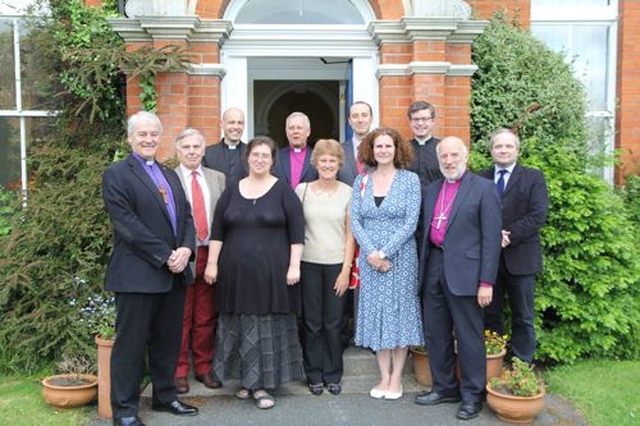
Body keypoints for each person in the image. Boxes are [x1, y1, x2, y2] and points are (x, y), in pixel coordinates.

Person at [102, 111, 198, 426]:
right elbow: (127, 226)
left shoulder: (170, 174)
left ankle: (165, 396)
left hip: (173, 274)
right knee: (130, 346)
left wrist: (185, 249)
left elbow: (186, 217)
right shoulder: (116, 174)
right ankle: (125, 411)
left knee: (168, 340)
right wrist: (166, 254)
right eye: (142, 134)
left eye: (153, 134)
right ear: (130, 138)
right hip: (137, 275)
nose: (148, 140)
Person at [204, 136, 305, 410]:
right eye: (255, 154)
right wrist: (212, 263)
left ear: (273, 160)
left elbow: (297, 234)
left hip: (272, 273)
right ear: (247, 158)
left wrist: (294, 265)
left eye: (265, 155)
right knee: (240, 324)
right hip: (235, 272)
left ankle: (261, 386)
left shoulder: (284, 191)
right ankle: (246, 382)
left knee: (264, 326)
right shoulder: (232, 190)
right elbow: (217, 231)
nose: (260, 159)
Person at [414, 136, 502, 421]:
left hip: (467, 273)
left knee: (468, 337)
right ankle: (444, 387)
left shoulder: (484, 189)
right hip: (434, 268)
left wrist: (486, 282)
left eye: (454, 155)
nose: (449, 161)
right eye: (444, 157)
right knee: (436, 333)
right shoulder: (431, 189)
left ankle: (473, 394)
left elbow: (491, 240)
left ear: (465, 156)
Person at [350, 127, 424, 401]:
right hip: (369, 260)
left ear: (397, 149)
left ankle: (396, 379)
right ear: (371, 150)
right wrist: (371, 253)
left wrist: (385, 253)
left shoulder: (410, 180)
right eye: (378, 146)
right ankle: (383, 376)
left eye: (388, 146)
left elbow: (410, 222)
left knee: (398, 313)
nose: (383, 151)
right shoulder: (361, 181)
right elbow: (356, 221)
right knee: (376, 314)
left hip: (400, 258)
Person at [481, 129, 549, 363]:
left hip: (521, 257)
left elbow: (538, 215)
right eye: (498, 146)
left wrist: (508, 235)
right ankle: (494, 362)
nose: (503, 150)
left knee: (523, 315)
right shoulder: (481, 178)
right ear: (491, 150)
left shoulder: (533, 177)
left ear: (517, 150)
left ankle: (522, 365)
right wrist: (491, 236)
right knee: (490, 314)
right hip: (489, 261)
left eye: (508, 146)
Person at [295, 139, 356, 396]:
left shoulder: (348, 192)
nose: (328, 165)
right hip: (308, 264)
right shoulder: (302, 190)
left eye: (333, 161)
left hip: (335, 266)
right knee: (311, 322)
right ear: (316, 163)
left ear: (339, 164)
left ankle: (333, 374)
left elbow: (351, 235)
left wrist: (345, 271)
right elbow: (295, 231)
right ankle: (314, 374)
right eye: (323, 161)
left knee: (334, 322)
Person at [173, 128, 226, 394]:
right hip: (182, 255)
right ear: (178, 151)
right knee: (180, 316)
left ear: (204, 150)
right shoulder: (168, 179)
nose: (192, 151)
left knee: (206, 315)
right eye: (187, 147)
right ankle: (179, 370)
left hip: (211, 254)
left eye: (196, 147)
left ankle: (204, 367)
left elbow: (224, 219)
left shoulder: (218, 178)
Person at [203, 107, 248, 188]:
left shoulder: (251, 152)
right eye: (231, 122)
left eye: (240, 123)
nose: (236, 127)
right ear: (222, 124)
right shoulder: (207, 154)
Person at [273, 111, 319, 188]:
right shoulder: (275, 157)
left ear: (308, 132)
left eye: (299, 128)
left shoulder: (318, 157)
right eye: (291, 128)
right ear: (286, 132)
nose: (295, 131)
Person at [406, 100, 443, 189]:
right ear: (410, 122)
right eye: (416, 119)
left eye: (424, 119)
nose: (420, 123)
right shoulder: (402, 149)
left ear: (432, 121)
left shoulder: (443, 148)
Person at [339, 101, 373, 185]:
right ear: (349, 121)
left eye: (364, 115)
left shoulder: (383, 150)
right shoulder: (338, 151)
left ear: (371, 119)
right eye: (355, 116)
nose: (360, 120)